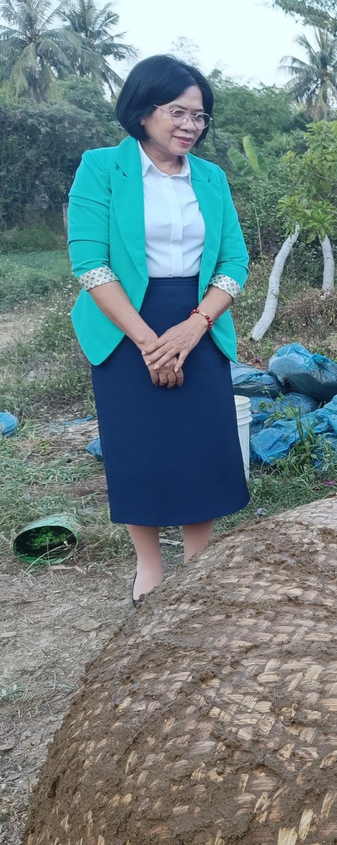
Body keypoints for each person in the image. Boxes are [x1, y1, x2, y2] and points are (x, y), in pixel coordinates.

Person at [67, 55, 251, 602]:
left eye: (200, 115)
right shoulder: (102, 168)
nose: (191, 125)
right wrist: (150, 344)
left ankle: (197, 563)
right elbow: (90, 264)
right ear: (143, 111)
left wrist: (195, 327)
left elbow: (234, 262)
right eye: (178, 112)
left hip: (199, 320)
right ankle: (148, 566)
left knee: (201, 445)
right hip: (123, 323)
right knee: (137, 445)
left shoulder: (211, 178)